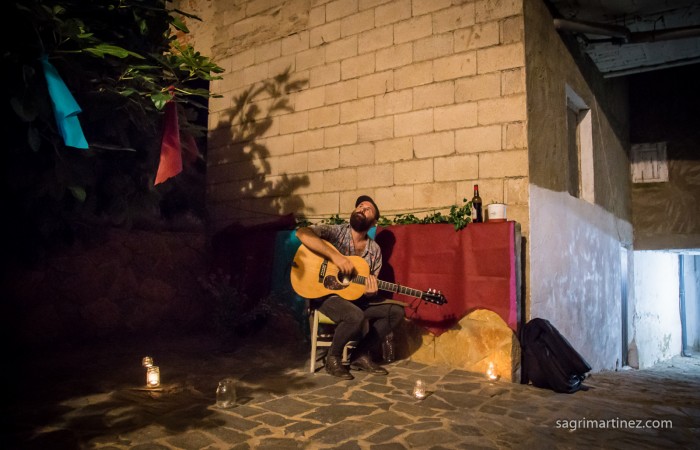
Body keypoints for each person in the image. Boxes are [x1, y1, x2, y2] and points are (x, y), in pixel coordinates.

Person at [295, 195, 405, 379]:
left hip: (355, 299)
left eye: (367, 208)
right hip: (324, 294)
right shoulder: (337, 232)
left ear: (373, 222)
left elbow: (366, 288)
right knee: (355, 315)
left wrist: (370, 294)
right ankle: (333, 358)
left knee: (396, 312)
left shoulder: (375, 251)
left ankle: (360, 355)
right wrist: (335, 257)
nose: (361, 209)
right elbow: (302, 233)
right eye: (359, 206)